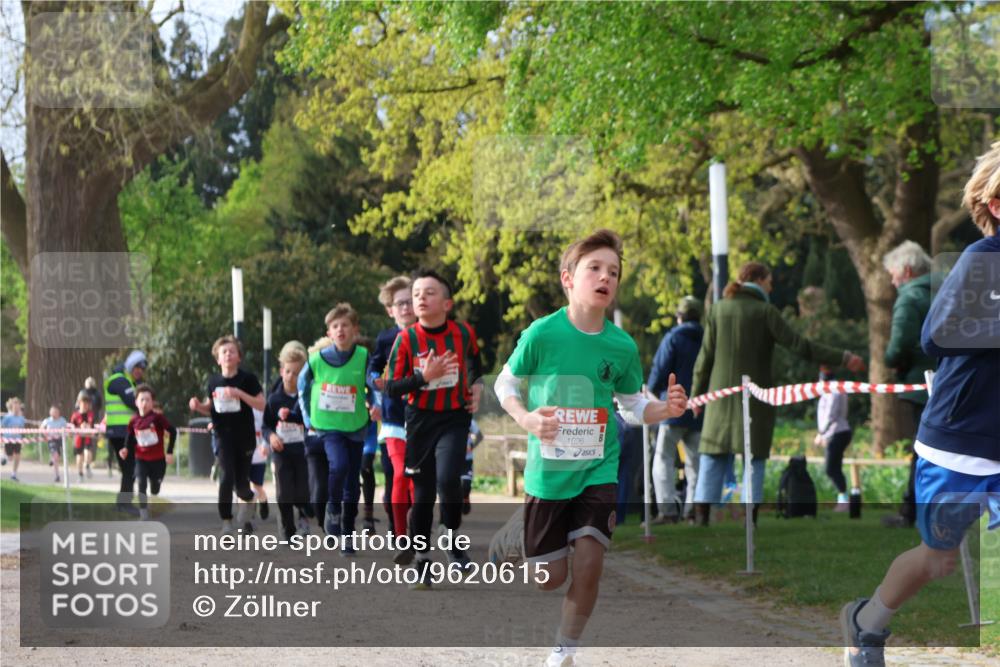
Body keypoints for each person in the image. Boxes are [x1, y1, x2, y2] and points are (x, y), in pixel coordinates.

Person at [493, 229, 688, 667]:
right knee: (548, 578)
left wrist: (665, 410)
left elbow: (633, 406)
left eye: (613, 272)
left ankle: (564, 651)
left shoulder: (620, 345)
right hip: (550, 472)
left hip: (599, 468)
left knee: (589, 566)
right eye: (594, 269)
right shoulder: (543, 333)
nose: (605, 278)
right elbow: (506, 382)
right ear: (568, 278)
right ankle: (521, 530)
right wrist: (526, 418)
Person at [841, 141, 1000, 667]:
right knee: (937, 560)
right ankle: (867, 624)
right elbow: (936, 335)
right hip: (956, 444)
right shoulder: (981, 261)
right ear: (995, 205)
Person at [690, 262, 866, 526]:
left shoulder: (717, 310)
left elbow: (704, 359)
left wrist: (696, 397)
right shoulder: (765, 312)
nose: (771, 287)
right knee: (754, 459)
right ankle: (751, 520)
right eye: (769, 282)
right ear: (759, 280)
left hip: (718, 400)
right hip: (755, 399)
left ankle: (700, 518)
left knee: (712, 455)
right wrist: (842, 357)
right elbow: (800, 345)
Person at [384, 269, 483, 586]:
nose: (421, 299)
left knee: (449, 479)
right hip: (420, 421)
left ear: (447, 303)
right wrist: (423, 378)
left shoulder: (463, 333)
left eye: (429, 292)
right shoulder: (406, 339)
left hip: (454, 417)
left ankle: (452, 542)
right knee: (423, 493)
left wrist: (477, 388)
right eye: (416, 294)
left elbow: (475, 364)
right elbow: (391, 387)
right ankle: (423, 560)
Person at [298, 304, 380, 555]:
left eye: (345, 325)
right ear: (329, 332)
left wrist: (375, 404)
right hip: (327, 424)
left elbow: (373, 384)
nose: (340, 330)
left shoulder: (364, 356)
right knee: (339, 465)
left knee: (353, 485)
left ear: (355, 330)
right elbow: (302, 387)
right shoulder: (316, 360)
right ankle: (333, 508)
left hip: (355, 424)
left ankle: (347, 534)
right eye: (335, 326)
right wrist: (306, 416)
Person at [881, 240, 936, 528]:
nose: (892, 281)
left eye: (892, 275)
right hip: (956, 379)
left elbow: (897, 348)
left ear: (906, 270)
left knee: (923, 450)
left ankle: (913, 512)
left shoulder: (909, 297)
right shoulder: (949, 288)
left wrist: (891, 360)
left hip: (922, 383)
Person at [189, 335, 265, 535]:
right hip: (223, 436)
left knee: (242, 485)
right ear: (218, 359)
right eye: (224, 352)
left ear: (239, 357)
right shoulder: (214, 381)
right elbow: (211, 408)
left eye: (232, 351)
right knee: (226, 477)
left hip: (245, 436)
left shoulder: (247, 379)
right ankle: (226, 521)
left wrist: (240, 394)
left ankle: (249, 499)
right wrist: (199, 407)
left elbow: (261, 404)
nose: (228, 354)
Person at [646, 295, 705, 524]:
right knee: (695, 463)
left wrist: (651, 392)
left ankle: (668, 511)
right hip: (700, 409)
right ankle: (692, 510)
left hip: (672, 409)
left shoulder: (673, 338)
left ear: (679, 317)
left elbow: (660, 370)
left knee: (663, 459)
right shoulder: (707, 339)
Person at [370, 275, 417, 537]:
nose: (406, 308)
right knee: (399, 475)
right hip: (394, 418)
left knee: (418, 483)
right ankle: (401, 537)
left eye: (410, 301)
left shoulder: (428, 334)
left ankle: (416, 528)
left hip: (424, 416)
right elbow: (374, 366)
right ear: (391, 310)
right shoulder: (386, 338)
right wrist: (375, 380)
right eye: (400, 304)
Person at [263, 340, 314, 541]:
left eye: (297, 373)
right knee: (284, 493)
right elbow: (266, 425)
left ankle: (303, 519)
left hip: (303, 451)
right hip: (282, 451)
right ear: (282, 371)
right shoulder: (274, 399)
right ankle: (287, 529)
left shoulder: (306, 397)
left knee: (302, 490)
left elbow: (312, 420)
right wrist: (271, 437)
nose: (292, 377)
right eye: (288, 372)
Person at [104, 350, 147, 513]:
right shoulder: (119, 381)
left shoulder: (130, 382)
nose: (140, 372)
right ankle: (124, 504)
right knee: (129, 467)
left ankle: (123, 503)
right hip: (119, 432)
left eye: (142, 370)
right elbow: (131, 401)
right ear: (130, 366)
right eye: (137, 368)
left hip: (126, 432)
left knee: (130, 468)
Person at [125, 385, 176, 521]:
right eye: (141, 400)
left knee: (155, 489)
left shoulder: (157, 418)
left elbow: (173, 431)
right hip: (141, 458)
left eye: (148, 400)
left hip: (158, 460)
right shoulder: (134, 419)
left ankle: (156, 484)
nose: (144, 403)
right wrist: (125, 449)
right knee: (141, 482)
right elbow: (130, 436)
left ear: (152, 402)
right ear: (136, 402)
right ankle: (143, 513)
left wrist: (169, 451)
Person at [815, 364, 853, 510]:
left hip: (837, 432)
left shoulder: (832, 391)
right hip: (838, 432)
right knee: (835, 467)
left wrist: (821, 433)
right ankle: (843, 500)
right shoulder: (838, 389)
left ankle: (844, 500)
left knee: (831, 468)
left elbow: (830, 415)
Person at [71, 393, 97, 482]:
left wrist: (89, 429)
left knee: (88, 453)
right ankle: (80, 474)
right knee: (79, 457)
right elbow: (72, 429)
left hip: (87, 438)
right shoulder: (75, 415)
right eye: (83, 403)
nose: (85, 405)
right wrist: (79, 428)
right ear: (79, 403)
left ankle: (87, 466)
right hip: (78, 439)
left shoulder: (91, 415)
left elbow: (93, 427)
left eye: (87, 403)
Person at [41, 405, 68, 483]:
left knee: (57, 458)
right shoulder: (47, 420)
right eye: (52, 411)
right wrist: (45, 435)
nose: (54, 413)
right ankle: (57, 475)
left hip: (59, 440)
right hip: (51, 440)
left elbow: (66, 429)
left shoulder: (62, 420)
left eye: (55, 412)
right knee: (55, 455)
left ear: (58, 412)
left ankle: (53, 461)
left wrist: (64, 434)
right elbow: (41, 428)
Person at [2, 397, 27, 481]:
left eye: (18, 407)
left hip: (17, 440)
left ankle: (14, 474)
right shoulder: (7, 417)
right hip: (8, 439)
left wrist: (23, 439)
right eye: (15, 407)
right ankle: (4, 456)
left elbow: (22, 429)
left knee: (18, 456)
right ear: (12, 408)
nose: (16, 409)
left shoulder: (21, 418)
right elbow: (1, 427)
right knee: (10, 458)